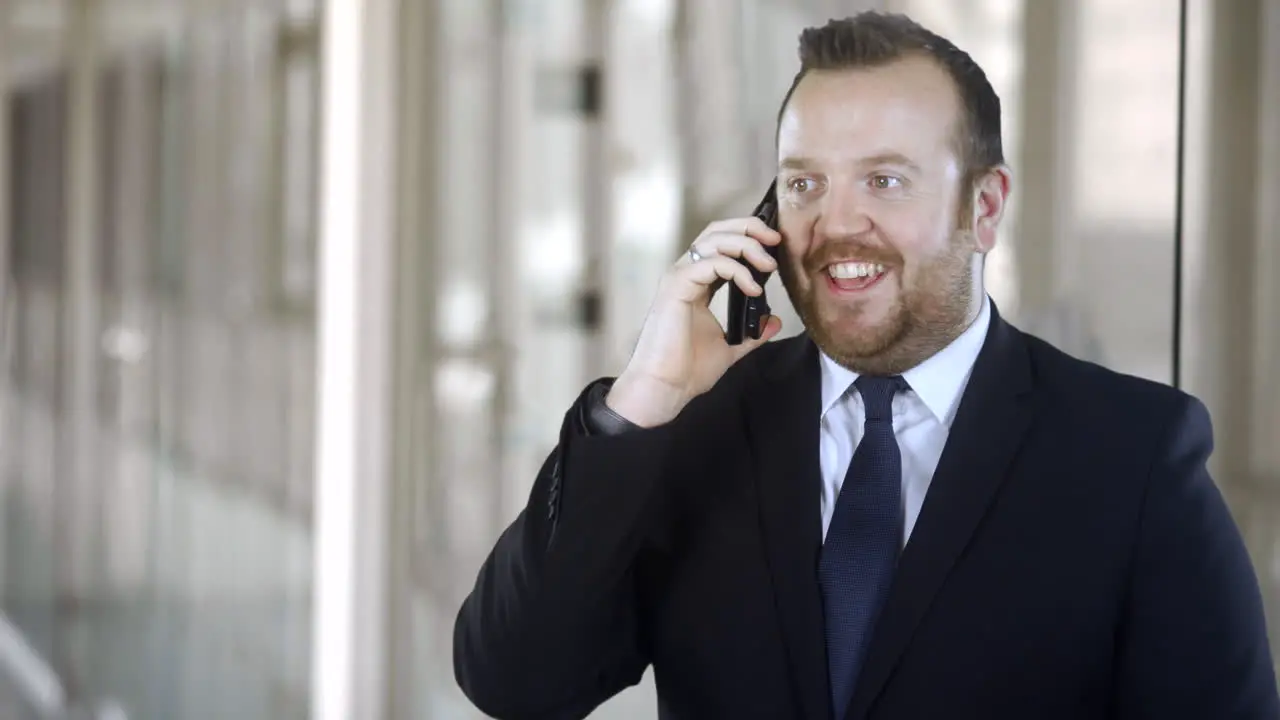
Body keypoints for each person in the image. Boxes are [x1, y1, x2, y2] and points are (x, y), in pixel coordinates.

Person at [453, 12, 1279, 720]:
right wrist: (641, 399)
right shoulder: (696, 427)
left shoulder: (1132, 455)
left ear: (984, 207)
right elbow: (517, 681)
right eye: (804, 184)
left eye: (884, 180)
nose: (837, 224)